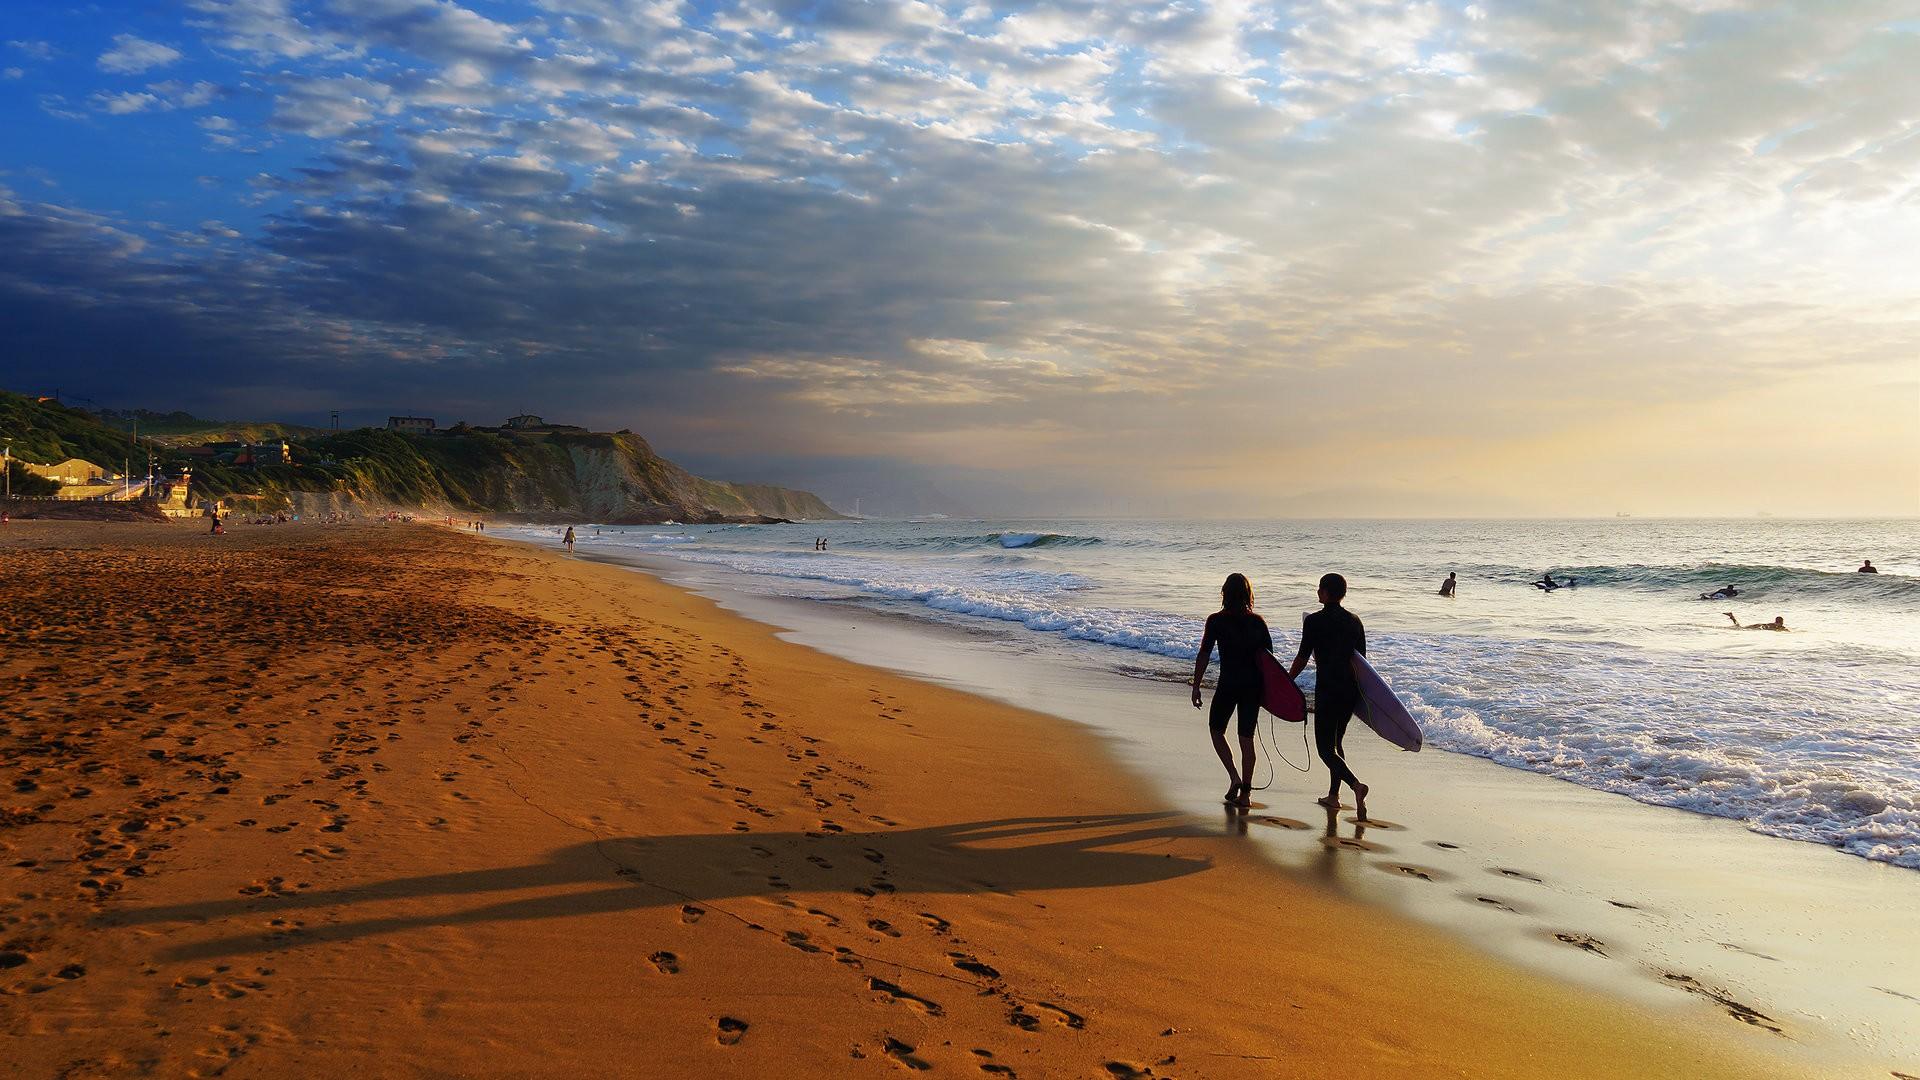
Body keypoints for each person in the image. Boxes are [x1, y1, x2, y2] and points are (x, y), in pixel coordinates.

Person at [1289, 573, 1368, 819]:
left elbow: (1303, 657)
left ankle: (1355, 785)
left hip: (1327, 689)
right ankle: (1334, 797)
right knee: (1337, 743)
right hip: (1349, 690)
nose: (1317, 592)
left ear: (1324, 593)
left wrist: (1286, 680)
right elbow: (1363, 663)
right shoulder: (1355, 621)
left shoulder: (1314, 621)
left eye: (1319, 589)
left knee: (1325, 749)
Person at [1190, 573, 1272, 810]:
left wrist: (1196, 685)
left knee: (1216, 731)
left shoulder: (1216, 620)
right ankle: (1246, 794)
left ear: (1224, 592)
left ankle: (1234, 776)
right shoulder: (1258, 622)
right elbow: (1269, 662)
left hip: (1228, 684)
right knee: (1247, 739)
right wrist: (1270, 695)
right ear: (1248, 594)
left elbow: (1204, 653)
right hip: (1252, 687)